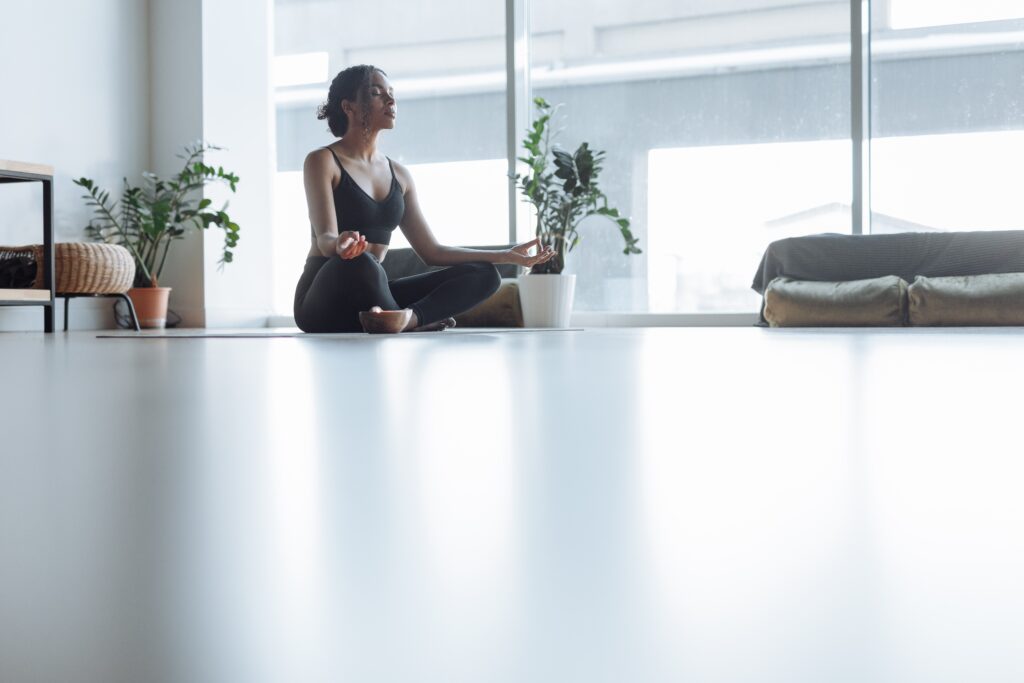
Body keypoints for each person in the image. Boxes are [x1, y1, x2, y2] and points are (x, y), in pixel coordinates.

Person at [294, 64, 555, 333]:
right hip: (323, 299)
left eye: (391, 93)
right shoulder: (323, 161)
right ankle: (400, 318)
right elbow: (325, 239)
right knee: (362, 263)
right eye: (376, 93)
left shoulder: (400, 176)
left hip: (374, 297)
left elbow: (432, 252)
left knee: (485, 274)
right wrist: (340, 244)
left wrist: (505, 256)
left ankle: (409, 319)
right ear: (348, 107)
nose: (391, 100)